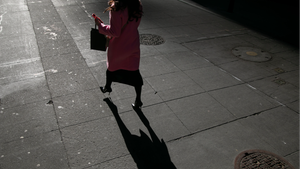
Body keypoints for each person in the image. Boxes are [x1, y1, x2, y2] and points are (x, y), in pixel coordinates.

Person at [95, 0, 144, 109]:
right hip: (132, 44)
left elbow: (115, 32)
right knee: (135, 71)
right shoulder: (137, 4)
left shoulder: (116, 7)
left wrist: (100, 25)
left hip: (118, 47)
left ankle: (108, 87)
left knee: (112, 68)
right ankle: (138, 100)